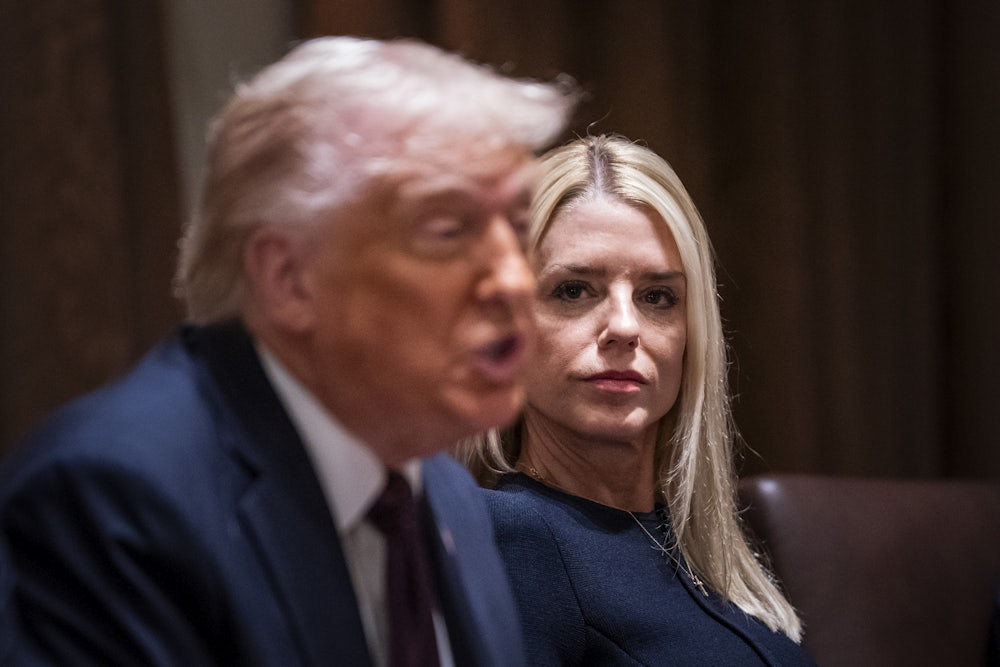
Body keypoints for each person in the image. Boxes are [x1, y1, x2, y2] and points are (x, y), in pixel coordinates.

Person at [0, 36, 576, 666]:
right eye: (446, 230)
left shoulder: (444, 492)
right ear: (288, 279)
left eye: (517, 228)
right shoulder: (118, 498)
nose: (515, 280)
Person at [461, 134, 814, 665]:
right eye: (574, 290)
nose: (625, 327)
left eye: (657, 297)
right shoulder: (512, 538)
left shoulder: (709, 553)